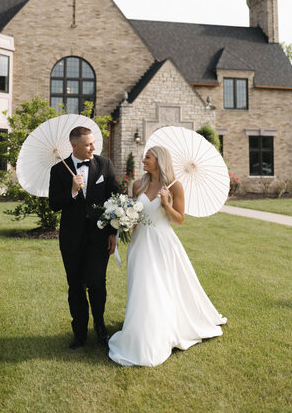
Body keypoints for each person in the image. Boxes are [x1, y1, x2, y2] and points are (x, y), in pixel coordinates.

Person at [108, 145, 227, 367]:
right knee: (141, 287)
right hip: (140, 244)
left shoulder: (175, 187)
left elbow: (179, 219)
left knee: (160, 286)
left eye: (148, 157)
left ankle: (159, 331)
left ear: (159, 161)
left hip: (163, 243)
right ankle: (139, 330)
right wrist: (124, 223)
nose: (144, 160)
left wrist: (165, 203)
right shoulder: (137, 185)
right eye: (144, 157)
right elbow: (134, 218)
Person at [49, 126, 120, 350]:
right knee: (75, 286)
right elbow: (53, 204)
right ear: (74, 146)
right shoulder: (58, 170)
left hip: (99, 239)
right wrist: (71, 190)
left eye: (93, 143)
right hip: (71, 240)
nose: (93, 147)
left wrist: (113, 233)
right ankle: (79, 333)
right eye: (88, 144)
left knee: (97, 284)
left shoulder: (105, 164)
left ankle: (100, 328)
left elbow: (115, 199)